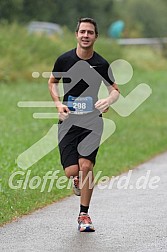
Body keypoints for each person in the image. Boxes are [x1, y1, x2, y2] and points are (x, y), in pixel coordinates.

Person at [48, 17, 119, 232]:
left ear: (95, 37)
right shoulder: (64, 60)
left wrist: (108, 100)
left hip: (91, 121)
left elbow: (115, 90)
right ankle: (76, 180)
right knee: (72, 171)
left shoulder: (101, 63)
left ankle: (84, 215)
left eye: (90, 32)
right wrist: (58, 103)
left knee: (86, 166)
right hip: (68, 121)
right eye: (82, 32)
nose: (86, 35)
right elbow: (52, 82)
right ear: (76, 35)